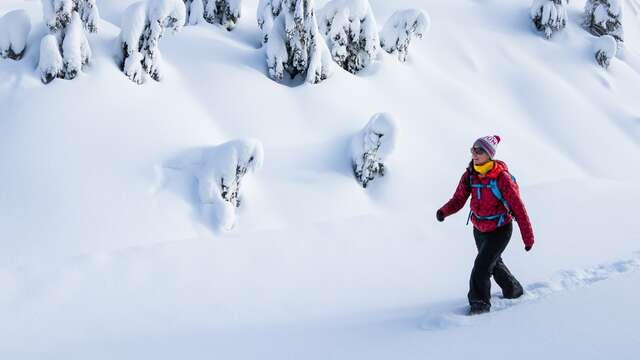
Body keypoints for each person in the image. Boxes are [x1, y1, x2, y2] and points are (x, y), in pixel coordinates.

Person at [436, 135, 534, 315]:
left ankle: (479, 305)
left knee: (481, 267)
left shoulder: (501, 178)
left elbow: (518, 208)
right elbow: (459, 199)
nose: (474, 153)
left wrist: (528, 238)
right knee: (493, 264)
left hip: (500, 229)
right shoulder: (470, 175)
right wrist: (444, 211)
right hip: (479, 229)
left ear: (489, 154)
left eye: (479, 150)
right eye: (473, 149)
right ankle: (514, 290)